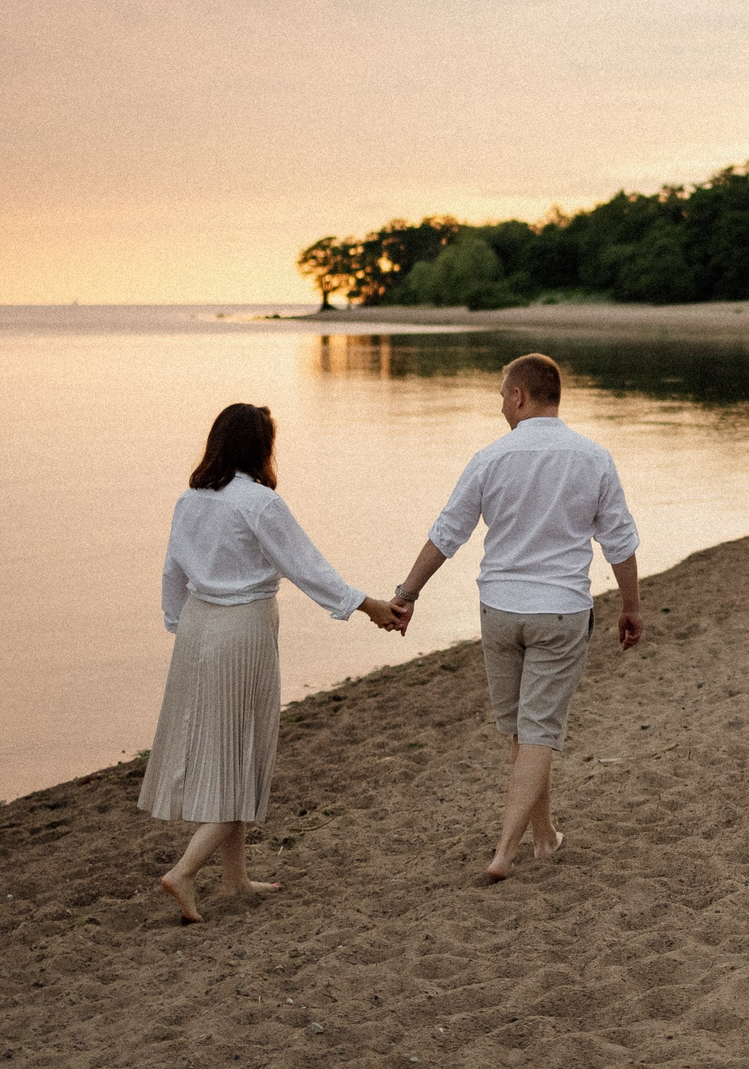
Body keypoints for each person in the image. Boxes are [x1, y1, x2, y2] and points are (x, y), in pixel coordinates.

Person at [385, 353, 641, 883]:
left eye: (504, 395)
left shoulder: (490, 458)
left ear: (520, 396)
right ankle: (505, 851)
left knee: (527, 735)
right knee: (539, 733)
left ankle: (543, 838)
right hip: (561, 610)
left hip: (500, 611)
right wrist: (631, 606)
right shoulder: (593, 458)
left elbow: (448, 532)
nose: (502, 404)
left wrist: (408, 592)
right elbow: (619, 541)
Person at [141, 402, 400, 923]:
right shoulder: (258, 503)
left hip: (198, 628)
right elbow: (306, 566)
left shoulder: (189, 501)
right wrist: (367, 605)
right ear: (260, 447)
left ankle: (235, 879)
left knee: (231, 749)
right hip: (242, 630)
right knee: (245, 750)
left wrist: (177, 625)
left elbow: (172, 571)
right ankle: (185, 871)